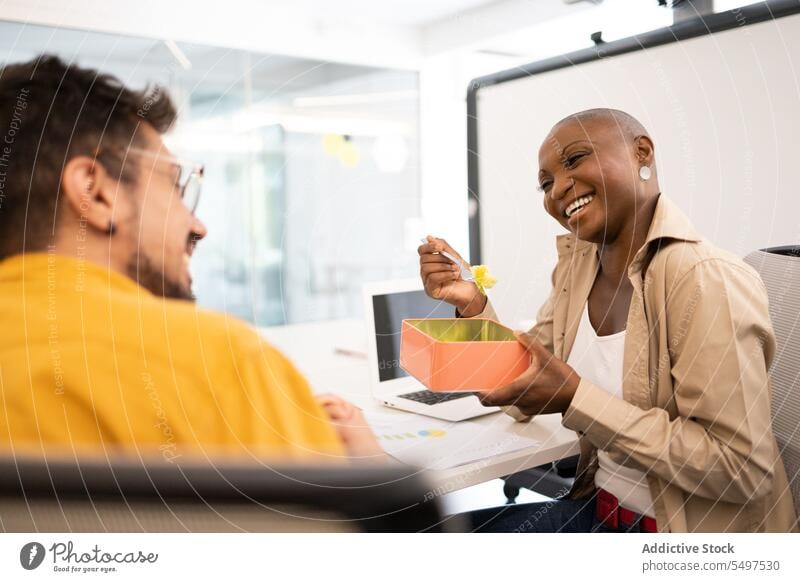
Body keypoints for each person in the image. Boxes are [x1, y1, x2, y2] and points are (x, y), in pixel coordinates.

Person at [418, 108, 797, 532]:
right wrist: (472, 305)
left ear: (642, 152)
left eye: (575, 159)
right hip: (601, 511)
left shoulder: (705, 280)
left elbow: (742, 470)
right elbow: (519, 378)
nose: (558, 188)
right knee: (427, 531)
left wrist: (576, 399)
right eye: (545, 184)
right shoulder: (578, 267)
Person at [0, 55, 383, 463]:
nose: (199, 226)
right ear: (96, 193)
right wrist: (374, 469)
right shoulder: (225, 365)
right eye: (176, 187)